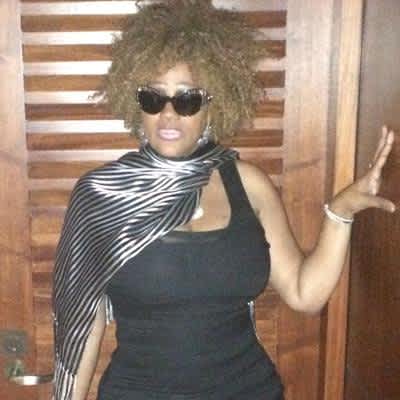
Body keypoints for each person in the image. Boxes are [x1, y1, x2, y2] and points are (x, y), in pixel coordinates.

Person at [51, 1, 396, 399]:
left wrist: (342, 210)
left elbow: (304, 293)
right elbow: (81, 326)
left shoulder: (248, 185)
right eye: (153, 98)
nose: (168, 115)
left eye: (187, 100)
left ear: (212, 105)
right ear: (136, 103)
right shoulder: (103, 194)